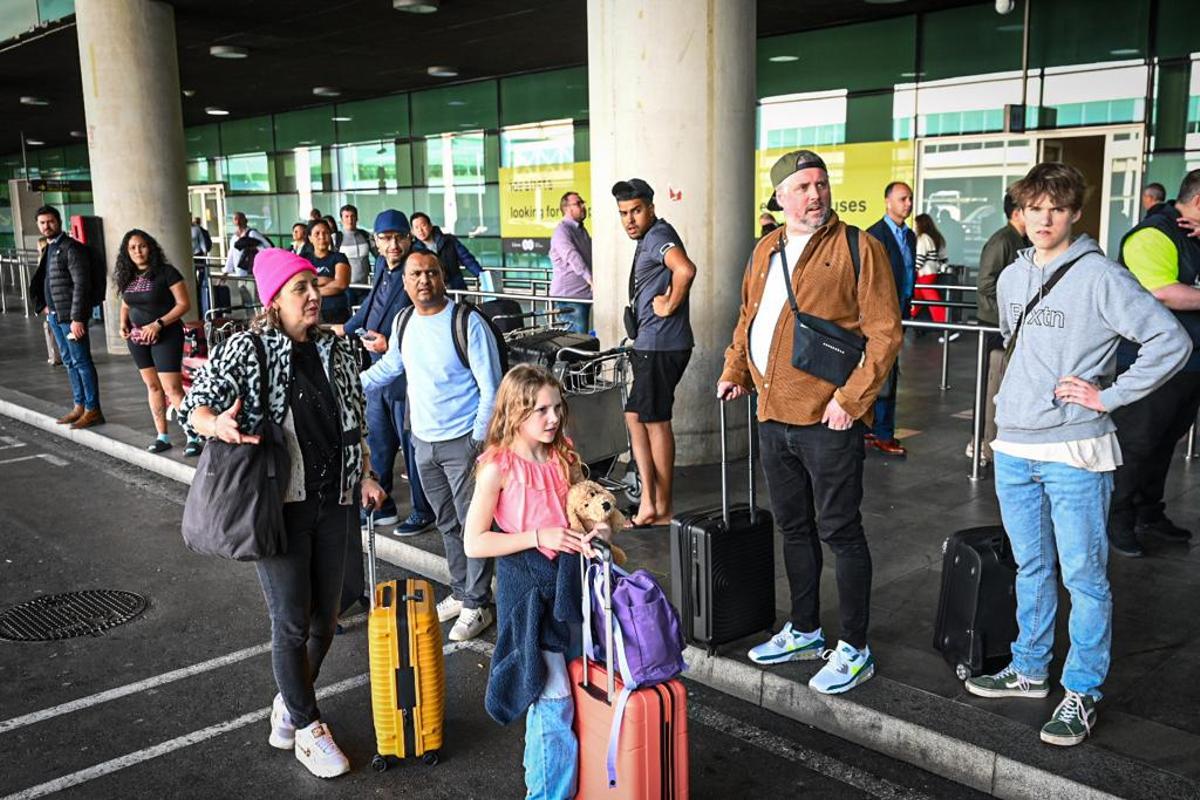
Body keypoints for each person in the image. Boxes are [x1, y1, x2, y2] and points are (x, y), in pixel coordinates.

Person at [964, 162, 1188, 747]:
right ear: (1021, 210)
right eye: (1034, 207)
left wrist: (1107, 395)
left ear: (1074, 214)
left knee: (1085, 578)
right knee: (1033, 567)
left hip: (1075, 450)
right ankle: (1030, 669)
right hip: (1013, 445)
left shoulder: (1101, 277)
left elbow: (1171, 340)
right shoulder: (1013, 278)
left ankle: (1082, 691)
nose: (1044, 218)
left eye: (1056, 208)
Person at [181, 249, 385, 778]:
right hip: (281, 505)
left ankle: (290, 703)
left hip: (334, 500)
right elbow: (194, 404)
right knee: (291, 623)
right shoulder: (247, 349)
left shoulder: (334, 351)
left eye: (313, 286)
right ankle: (307, 725)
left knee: (329, 616)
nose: (313, 296)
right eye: (299, 289)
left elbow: (353, 418)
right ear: (273, 300)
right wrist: (215, 425)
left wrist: (363, 473)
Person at [718, 148, 901, 694]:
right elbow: (749, 315)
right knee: (793, 528)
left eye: (821, 183)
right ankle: (803, 629)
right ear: (780, 196)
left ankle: (855, 646)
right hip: (771, 414)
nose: (815, 194)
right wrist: (735, 370)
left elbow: (885, 332)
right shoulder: (766, 247)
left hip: (829, 418)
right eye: (803, 186)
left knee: (840, 531)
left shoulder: (858, 247)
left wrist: (851, 399)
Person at [464, 365, 607, 800]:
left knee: (561, 701)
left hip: (568, 586)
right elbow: (473, 541)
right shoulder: (498, 466)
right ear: (514, 412)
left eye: (556, 407)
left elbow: (577, 510)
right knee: (553, 702)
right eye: (540, 410)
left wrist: (596, 532)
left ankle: (545, 789)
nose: (553, 418)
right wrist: (537, 537)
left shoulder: (562, 452)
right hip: (528, 594)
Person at [362, 250, 503, 642]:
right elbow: (392, 367)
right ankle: (462, 592)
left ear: (443, 277)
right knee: (447, 523)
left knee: (473, 524)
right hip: (422, 442)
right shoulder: (404, 320)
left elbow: (492, 387)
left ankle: (477, 604)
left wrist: (477, 439)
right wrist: (349, 385)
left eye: (431, 272)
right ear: (404, 282)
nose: (424, 280)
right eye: (415, 274)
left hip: (463, 442)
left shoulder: (466, 322)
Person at [1107, 169, 1200, 557]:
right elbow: (1165, 293)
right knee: (1137, 444)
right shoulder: (1153, 235)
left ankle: (1149, 511)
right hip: (1152, 363)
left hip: (1191, 363)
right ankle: (1116, 518)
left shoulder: (1192, 237)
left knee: (1164, 443)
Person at [340, 210, 435, 535]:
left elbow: (428, 315)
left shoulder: (417, 268)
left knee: (411, 447)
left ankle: (424, 511)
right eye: (385, 238)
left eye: (398, 237)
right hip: (378, 374)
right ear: (377, 242)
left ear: (409, 237)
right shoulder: (383, 267)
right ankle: (383, 504)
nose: (393, 244)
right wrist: (342, 328)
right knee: (379, 443)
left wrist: (389, 343)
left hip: (406, 376)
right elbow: (370, 306)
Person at [612, 178, 697, 526]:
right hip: (653, 344)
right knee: (637, 417)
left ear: (651, 207)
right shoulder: (649, 238)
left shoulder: (659, 236)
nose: (629, 219)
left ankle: (659, 507)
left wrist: (670, 303)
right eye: (623, 213)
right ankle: (652, 500)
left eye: (636, 210)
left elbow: (685, 269)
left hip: (661, 345)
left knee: (655, 422)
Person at [114, 229, 201, 456]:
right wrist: (122, 323)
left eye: (142, 246)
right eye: (132, 248)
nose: (138, 251)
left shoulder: (166, 272)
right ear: (126, 252)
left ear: (150, 247)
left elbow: (183, 304)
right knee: (152, 387)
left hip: (166, 335)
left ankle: (193, 435)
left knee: (172, 389)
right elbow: (126, 303)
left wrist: (158, 324)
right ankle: (162, 436)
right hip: (137, 338)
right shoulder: (128, 276)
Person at [29, 205, 104, 429]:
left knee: (82, 362)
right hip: (55, 316)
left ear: (59, 222)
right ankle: (79, 406)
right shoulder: (50, 248)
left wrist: (78, 318)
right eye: (42, 223)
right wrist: (44, 307)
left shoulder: (71, 248)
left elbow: (81, 284)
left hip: (70, 318)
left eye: (50, 221)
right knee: (70, 363)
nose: (46, 226)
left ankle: (93, 410)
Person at [970, 190, 1029, 465]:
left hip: (1008, 323)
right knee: (990, 384)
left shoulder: (1021, 240)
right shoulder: (1003, 241)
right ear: (1017, 213)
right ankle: (980, 441)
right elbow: (985, 283)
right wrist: (1012, 301)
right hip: (994, 323)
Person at [865, 181, 915, 457]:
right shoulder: (874, 235)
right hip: (882, 316)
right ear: (887, 202)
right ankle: (882, 431)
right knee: (885, 373)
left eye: (909, 198)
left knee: (889, 372)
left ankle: (876, 427)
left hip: (902, 311)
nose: (907, 203)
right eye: (902, 199)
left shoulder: (910, 236)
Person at [549, 191, 593, 334]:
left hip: (582, 296)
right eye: (578, 203)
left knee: (582, 342)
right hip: (569, 297)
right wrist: (590, 279)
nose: (583, 206)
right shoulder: (562, 231)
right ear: (567, 208)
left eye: (582, 202)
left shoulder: (581, 230)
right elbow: (572, 256)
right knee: (575, 343)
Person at [410, 212, 484, 291]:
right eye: (416, 227)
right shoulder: (413, 250)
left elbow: (467, 259)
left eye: (423, 225)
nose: (420, 230)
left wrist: (482, 276)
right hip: (431, 291)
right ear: (413, 231)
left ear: (430, 226)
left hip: (455, 288)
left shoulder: (449, 240)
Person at [304, 218, 351, 325]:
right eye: (317, 234)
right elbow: (300, 283)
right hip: (310, 312)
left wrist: (312, 290)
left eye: (326, 233)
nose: (322, 237)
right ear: (310, 238)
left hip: (336, 311)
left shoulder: (339, 257)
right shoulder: (304, 259)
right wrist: (327, 280)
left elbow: (341, 284)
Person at [911, 213, 951, 336]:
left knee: (933, 302)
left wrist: (911, 271)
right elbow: (944, 258)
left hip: (924, 274)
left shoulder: (923, 238)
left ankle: (947, 327)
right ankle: (907, 319)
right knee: (916, 299)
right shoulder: (937, 237)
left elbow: (920, 259)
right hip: (933, 273)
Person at [338, 203, 376, 307]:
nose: (350, 219)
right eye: (346, 216)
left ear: (357, 218)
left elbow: (378, 254)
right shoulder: (336, 238)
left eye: (352, 216)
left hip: (365, 286)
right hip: (346, 287)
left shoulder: (366, 235)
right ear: (341, 220)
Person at [36, 236, 61, 366]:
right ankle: (55, 356)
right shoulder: (44, 261)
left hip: (53, 305)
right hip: (50, 305)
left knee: (53, 332)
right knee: (52, 331)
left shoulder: (47, 261)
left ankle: (55, 356)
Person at [223, 212, 271, 277]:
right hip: (239, 273)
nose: (238, 221)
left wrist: (255, 248)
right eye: (235, 219)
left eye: (240, 218)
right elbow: (231, 255)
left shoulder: (252, 234)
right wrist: (226, 271)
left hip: (252, 273)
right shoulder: (234, 238)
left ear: (245, 220)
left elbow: (268, 247)